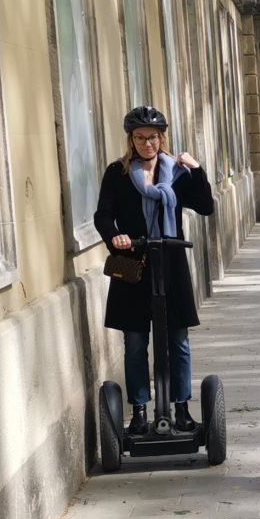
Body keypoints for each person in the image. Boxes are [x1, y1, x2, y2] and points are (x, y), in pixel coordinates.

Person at [94, 106, 214, 436]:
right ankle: (141, 411)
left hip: (171, 263)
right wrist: (115, 236)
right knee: (134, 342)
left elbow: (206, 206)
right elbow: (103, 216)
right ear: (131, 140)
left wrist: (197, 169)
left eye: (154, 137)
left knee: (178, 340)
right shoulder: (117, 174)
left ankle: (180, 409)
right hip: (134, 264)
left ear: (162, 138)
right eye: (141, 137)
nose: (148, 143)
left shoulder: (176, 172)